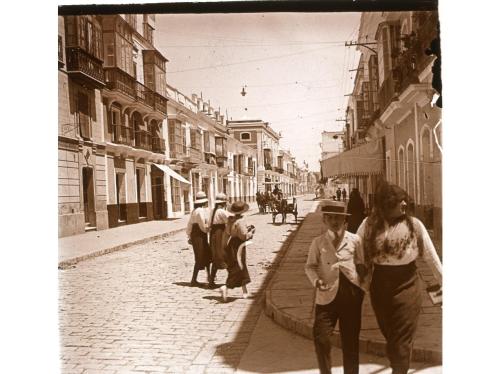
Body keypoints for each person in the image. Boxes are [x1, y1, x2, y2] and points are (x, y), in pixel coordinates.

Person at [355, 182, 442, 374]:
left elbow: (431, 257)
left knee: (401, 339)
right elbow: (355, 250)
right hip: (380, 287)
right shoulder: (368, 225)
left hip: (408, 285)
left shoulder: (415, 225)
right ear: (386, 204)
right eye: (398, 201)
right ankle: (398, 366)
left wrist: (444, 281)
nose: (404, 204)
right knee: (391, 336)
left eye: (405, 200)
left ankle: (399, 370)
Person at [305, 202, 365, 374]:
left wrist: (361, 286)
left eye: (338, 217)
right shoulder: (318, 242)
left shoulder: (355, 240)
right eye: (330, 217)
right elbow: (310, 266)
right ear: (324, 220)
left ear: (344, 220)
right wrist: (316, 281)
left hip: (351, 296)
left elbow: (362, 263)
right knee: (321, 339)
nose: (334, 221)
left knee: (351, 342)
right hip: (326, 296)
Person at [219, 201, 256, 302]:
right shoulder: (240, 221)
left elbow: (226, 234)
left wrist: (224, 247)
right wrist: (251, 233)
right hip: (239, 245)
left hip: (231, 244)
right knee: (239, 266)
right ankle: (226, 287)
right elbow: (243, 236)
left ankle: (245, 292)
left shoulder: (230, 220)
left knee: (239, 265)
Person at [186, 191, 212, 287]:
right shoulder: (200, 211)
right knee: (200, 256)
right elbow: (202, 225)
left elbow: (189, 225)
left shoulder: (195, 210)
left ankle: (208, 276)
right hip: (199, 235)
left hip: (196, 235)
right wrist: (208, 229)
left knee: (206, 254)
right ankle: (194, 280)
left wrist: (189, 236)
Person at [207, 193, 231, 288]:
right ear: (223, 203)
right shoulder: (221, 211)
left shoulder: (213, 211)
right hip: (220, 233)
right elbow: (229, 219)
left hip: (213, 234)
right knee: (223, 254)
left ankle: (211, 280)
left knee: (216, 255)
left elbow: (209, 224)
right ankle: (231, 279)